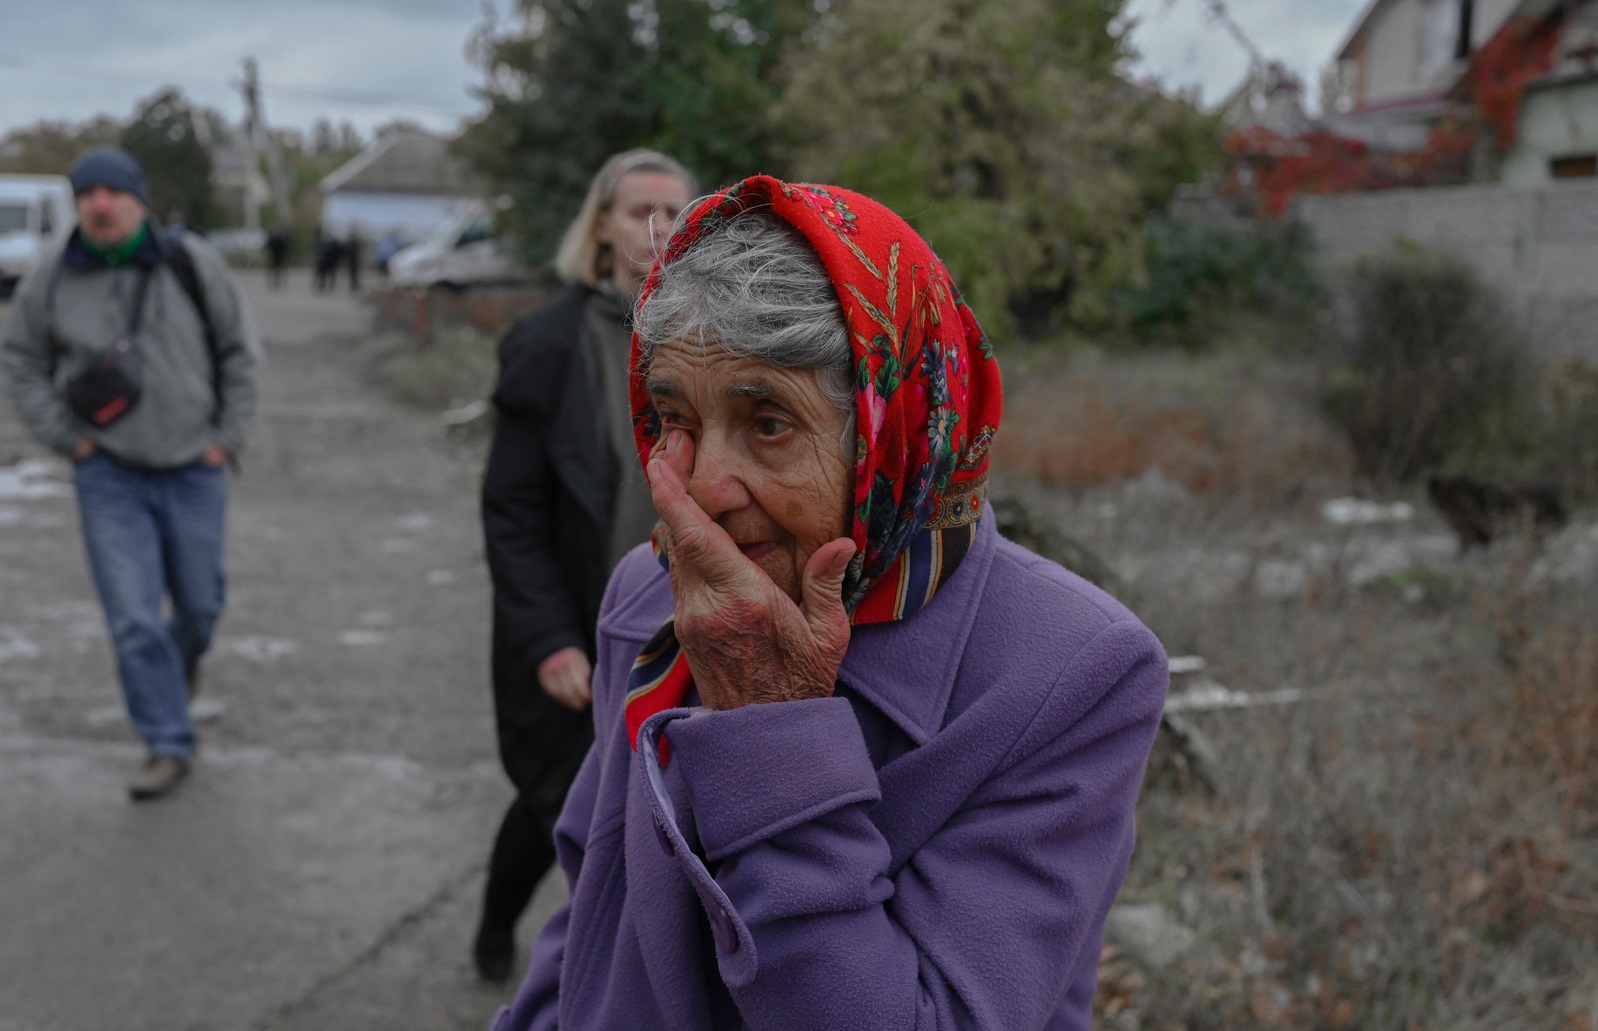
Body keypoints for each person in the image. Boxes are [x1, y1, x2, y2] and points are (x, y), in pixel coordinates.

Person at [490, 177, 1169, 1030]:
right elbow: (596, 907)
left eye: (768, 422)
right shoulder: (649, 591)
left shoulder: (1071, 671)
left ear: (895, 429)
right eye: (674, 417)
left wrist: (769, 726)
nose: (703, 487)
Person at [473, 149, 696, 983]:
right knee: (562, 800)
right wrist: (551, 639)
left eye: (675, 212)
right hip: (577, 623)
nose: (657, 230)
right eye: (640, 210)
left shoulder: (707, 334)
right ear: (600, 225)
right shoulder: (547, 343)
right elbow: (514, 512)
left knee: (649, 807)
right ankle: (507, 938)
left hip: (681, 625)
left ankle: (621, 968)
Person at [1, 146, 262, 801]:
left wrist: (224, 438)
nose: (100, 203)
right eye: (87, 193)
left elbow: (239, 351)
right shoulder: (52, 276)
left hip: (193, 467)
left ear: (139, 200)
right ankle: (166, 741)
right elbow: (22, 359)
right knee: (133, 617)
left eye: (113, 192)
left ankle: (179, 666)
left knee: (200, 604)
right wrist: (68, 439)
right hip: (108, 473)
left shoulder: (190, 262)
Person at [265, 224, 290, 289]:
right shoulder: (273, 238)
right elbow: (269, 245)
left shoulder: (282, 238)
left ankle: (282, 281)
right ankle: (274, 281)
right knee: (274, 269)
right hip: (274, 255)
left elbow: (285, 246)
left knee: (281, 269)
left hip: (281, 256)